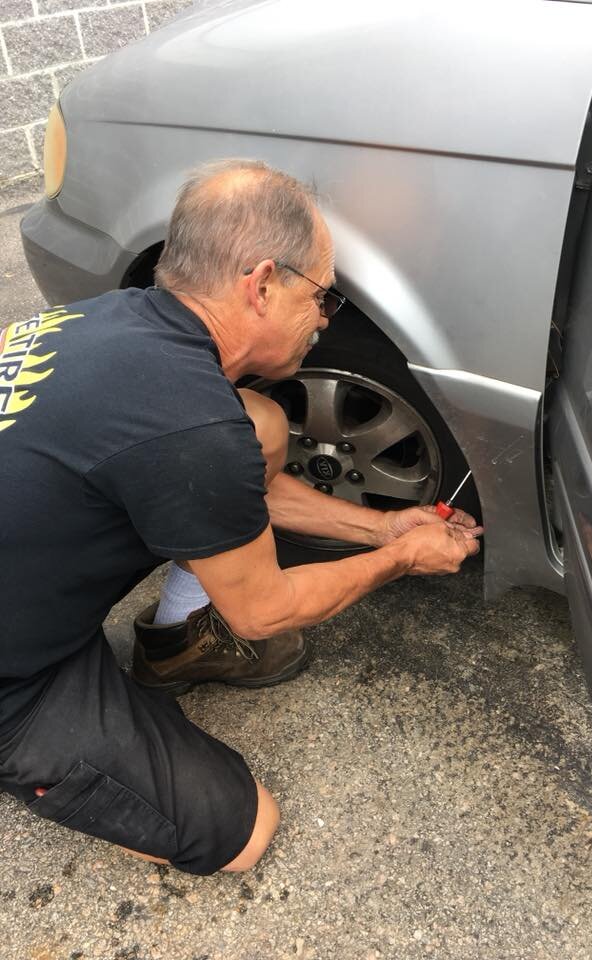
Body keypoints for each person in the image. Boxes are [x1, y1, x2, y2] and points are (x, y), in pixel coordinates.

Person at [0, 159, 481, 876]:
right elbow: (263, 610)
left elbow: (221, 489)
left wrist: (383, 527)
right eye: (321, 295)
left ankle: (177, 640)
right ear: (260, 284)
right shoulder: (188, 429)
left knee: (256, 424)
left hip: (27, 580)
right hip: (17, 678)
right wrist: (403, 559)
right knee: (244, 832)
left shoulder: (104, 320)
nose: (325, 318)